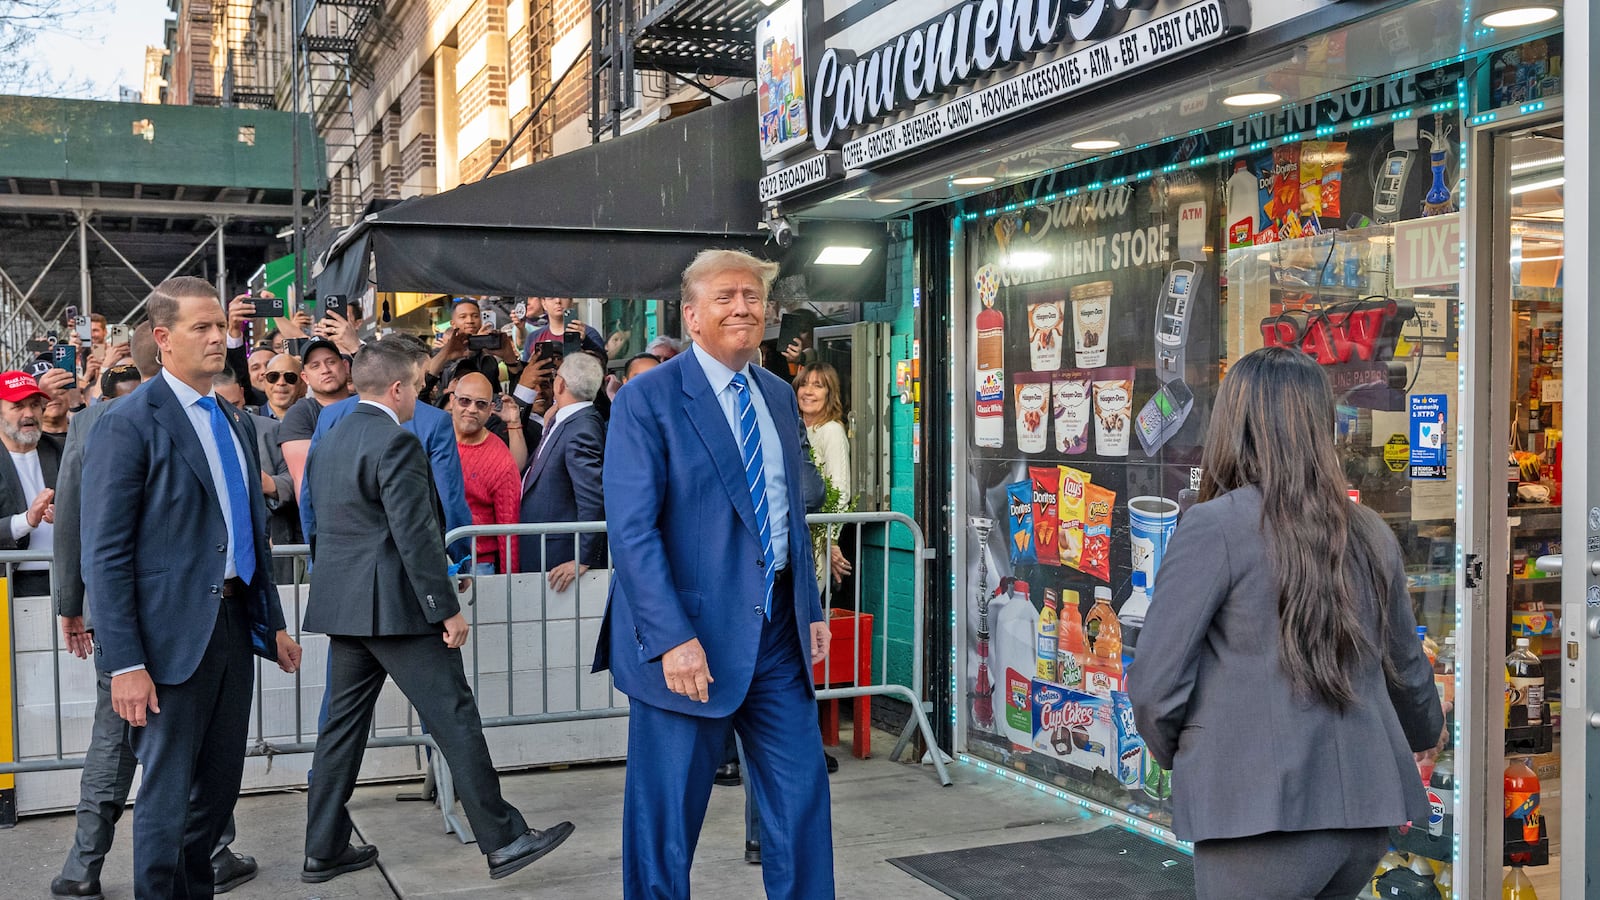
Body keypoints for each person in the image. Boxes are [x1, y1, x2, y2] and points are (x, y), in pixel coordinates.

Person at [1127, 347, 1445, 900]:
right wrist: (1424, 735)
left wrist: (1197, 753)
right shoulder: (1369, 530)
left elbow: (1155, 688)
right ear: (1322, 427)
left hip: (1256, 816)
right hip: (1362, 815)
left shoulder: (1213, 527)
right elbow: (1406, 669)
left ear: (1234, 426)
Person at [595, 249, 833, 899]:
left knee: (802, 800)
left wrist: (808, 609)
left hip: (776, 634)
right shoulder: (647, 399)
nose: (742, 307)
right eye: (725, 296)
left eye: (753, 297)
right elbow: (633, 533)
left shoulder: (778, 396)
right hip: (688, 641)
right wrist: (671, 637)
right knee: (666, 825)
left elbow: (789, 511)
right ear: (692, 315)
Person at [299, 337, 574, 883]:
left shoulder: (328, 436)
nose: (424, 394)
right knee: (454, 717)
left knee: (339, 730)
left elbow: (317, 519)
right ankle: (504, 838)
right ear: (398, 388)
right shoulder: (396, 442)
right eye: (422, 384)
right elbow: (416, 535)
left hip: (345, 607)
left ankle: (323, 846)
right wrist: (444, 608)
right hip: (399, 609)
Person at [80, 276, 301, 898]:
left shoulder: (232, 416)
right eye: (200, 327)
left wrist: (271, 620)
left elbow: (246, 531)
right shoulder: (128, 422)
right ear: (162, 338)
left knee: (220, 788)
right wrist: (124, 661)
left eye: (219, 326)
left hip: (232, 629)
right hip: (167, 642)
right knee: (168, 795)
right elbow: (105, 552)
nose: (216, 338)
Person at [517, 353, 605, 588]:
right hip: (547, 548)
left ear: (560, 384)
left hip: (560, 555)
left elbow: (592, 498)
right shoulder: (566, 420)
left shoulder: (582, 428)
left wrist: (583, 558)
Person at [215, 369, 300, 585]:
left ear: (243, 394)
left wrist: (270, 484)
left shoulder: (270, 430)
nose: (228, 413)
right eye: (219, 406)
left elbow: (300, 480)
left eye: (234, 404)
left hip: (273, 547)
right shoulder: (197, 434)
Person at [450, 372, 522, 574]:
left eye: (481, 404)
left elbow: (509, 528)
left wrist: (510, 581)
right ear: (452, 401)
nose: (471, 409)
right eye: (465, 401)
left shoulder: (501, 460)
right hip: (430, 558)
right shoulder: (433, 438)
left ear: (491, 410)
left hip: (477, 565)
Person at [0, 371, 60, 600]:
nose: (29, 414)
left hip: (64, 583)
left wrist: (66, 517)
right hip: (10, 587)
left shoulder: (60, 451)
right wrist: (25, 521)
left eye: (35, 405)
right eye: (17, 406)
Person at [794, 363, 853, 589]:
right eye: (804, 385)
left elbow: (840, 491)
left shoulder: (831, 431)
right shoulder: (795, 427)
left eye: (818, 386)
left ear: (830, 394)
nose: (808, 392)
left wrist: (830, 539)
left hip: (817, 539)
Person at [278, 337, 353, 497]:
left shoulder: (365, 402)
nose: (325, 369)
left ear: (345, 366)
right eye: (315, 366)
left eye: (331, 362)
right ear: (305, 377)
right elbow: (302, 479)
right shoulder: (300, 414)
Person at [519, 296, 605, 361]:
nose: (558, 301)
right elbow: (526, 372)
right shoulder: (533, 338)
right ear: (543, 303)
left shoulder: (588, 333)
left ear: (571, 300)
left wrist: (586, 341)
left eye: (563, 296)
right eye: (551, 297)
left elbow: (602, 362)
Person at [262, 353, 306, 422]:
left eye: (290, 377)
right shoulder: (250, 421)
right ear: (264, 381)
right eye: (273, 377)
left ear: (302, 382)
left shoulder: (314, 420)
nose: (281, 383)